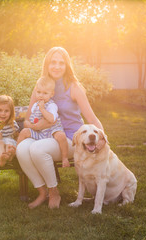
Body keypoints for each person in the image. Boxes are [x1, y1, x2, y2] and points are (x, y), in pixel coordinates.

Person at [16, 46, 104, 209]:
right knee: (21, 149)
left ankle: (54, 192)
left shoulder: (74, 87)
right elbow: (28, 118)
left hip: (70, 139)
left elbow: (91, 117)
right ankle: (43, 192)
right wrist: (36, 125)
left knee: (37, 149)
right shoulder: (40, 87)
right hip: (44, 135)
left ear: (67, 66)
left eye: (61, 63)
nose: (56, 66)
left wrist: (104, 139)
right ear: (47, 65)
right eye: (53, 62)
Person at [17, 76, 70, 168]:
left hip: (52, 131)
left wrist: (42, 109)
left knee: (61, 136)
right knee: (24, 132)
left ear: (51, 94)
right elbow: (32, 119)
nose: (41, 95)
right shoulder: (35, 106)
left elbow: (52, 119)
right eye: (38, 92)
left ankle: (64, 157)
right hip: (40, 132)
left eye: (45, 93)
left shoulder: (51, 105)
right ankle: (16, 151)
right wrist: (32, 124)